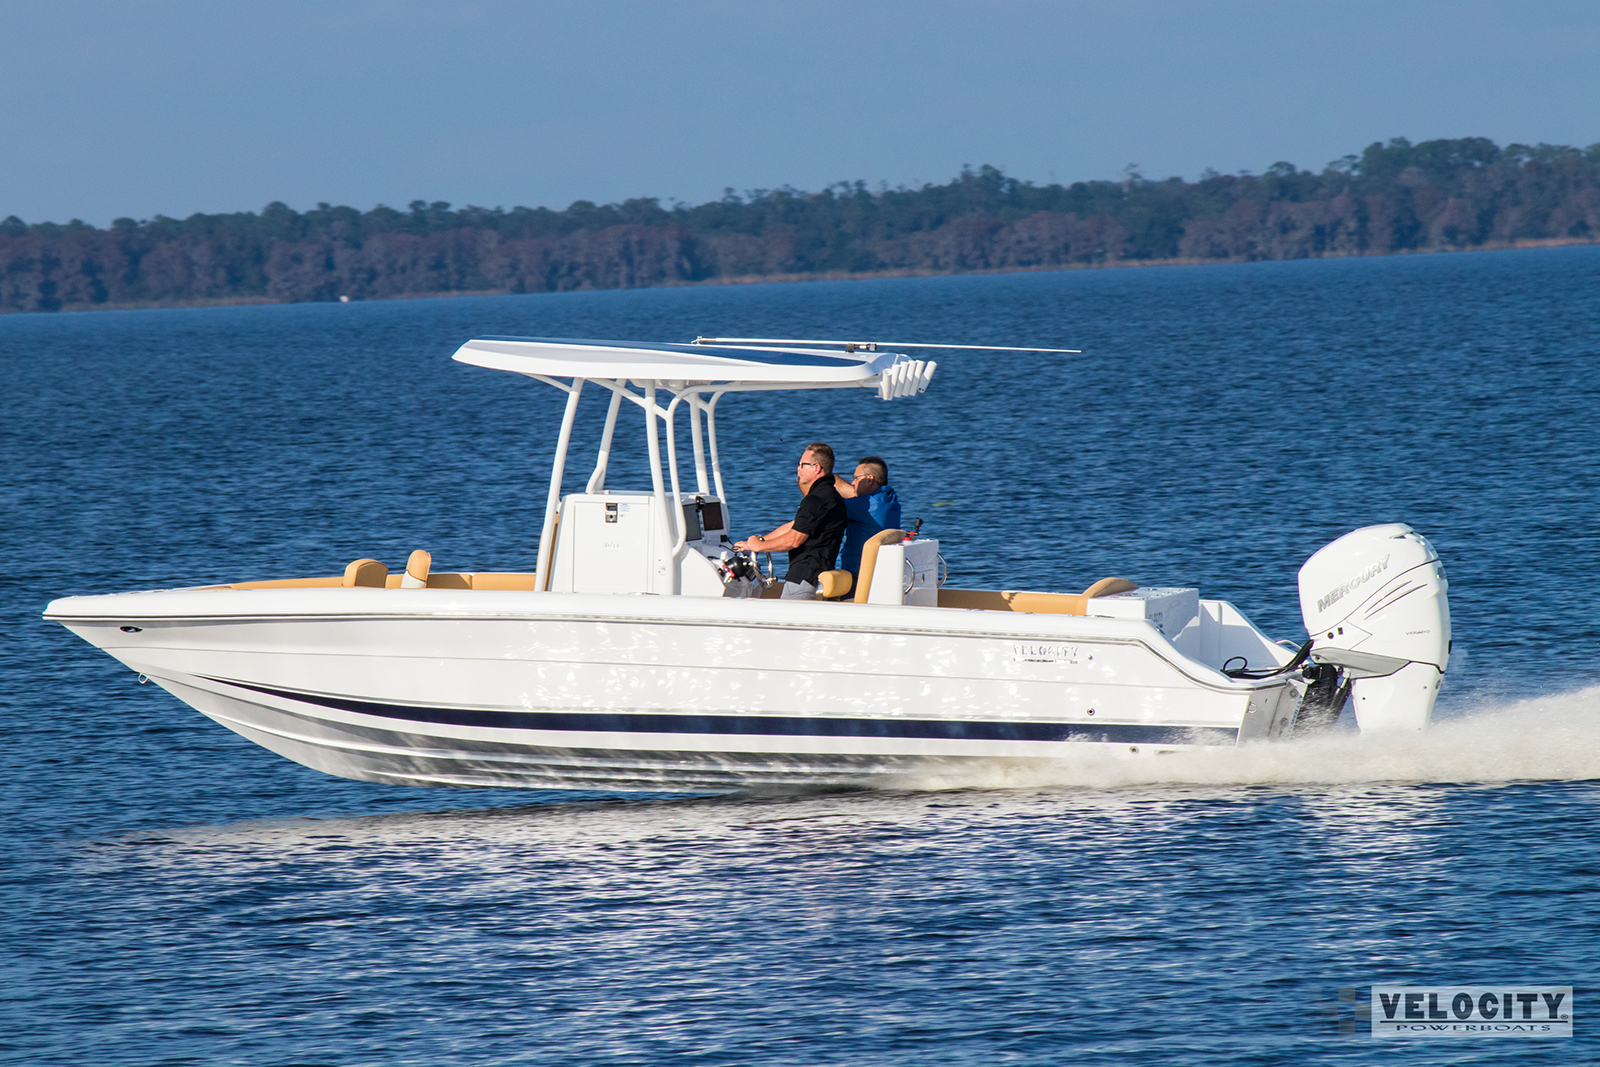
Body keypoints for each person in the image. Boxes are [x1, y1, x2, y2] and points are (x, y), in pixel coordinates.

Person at [734, 442, 847, 599]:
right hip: (816, 573)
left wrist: (760, 546)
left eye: (802, 464)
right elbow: (796, 526)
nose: (798, 468)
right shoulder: (831, 496)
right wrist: (761, 540)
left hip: (804, 577)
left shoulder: (815, 499)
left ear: (816, 468)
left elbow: (794, 539)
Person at [835, 455, 902, 578]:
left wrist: (818, 477)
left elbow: (827, 507)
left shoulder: (864, 506)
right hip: (881, 573)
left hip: (857, 577)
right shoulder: (890, 499)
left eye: (856, 478)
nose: (853, 483)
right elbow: (853, 494)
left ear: (870, 479)